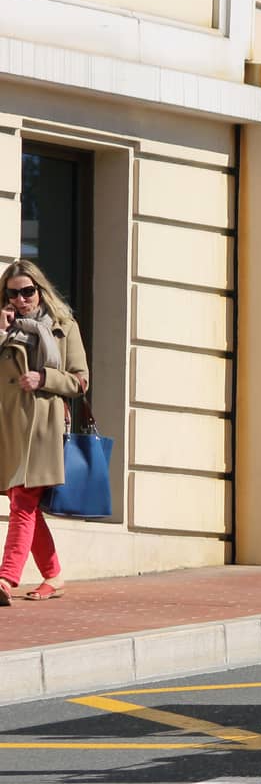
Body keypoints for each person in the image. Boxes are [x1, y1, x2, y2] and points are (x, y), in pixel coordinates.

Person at [0, 259, 89, 604]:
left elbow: (80, 380)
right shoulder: (6, 328)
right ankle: (53, 575)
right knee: (25, 504)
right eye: (13, 293)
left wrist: (44, 378)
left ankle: (6, 577)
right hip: (9, 427)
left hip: (43, 427)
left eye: (27, 292)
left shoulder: (63, 327)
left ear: (40, 290)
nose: (22, 299)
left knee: (23, 501)